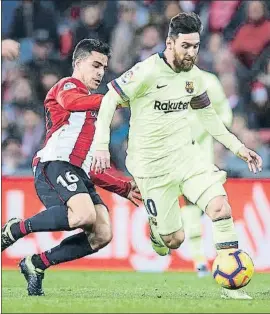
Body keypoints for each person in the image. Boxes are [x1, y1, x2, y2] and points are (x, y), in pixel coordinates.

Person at [90, 13, 263, 300]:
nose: (192, 52)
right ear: (170, 43)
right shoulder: (146, 72)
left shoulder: (194, 78)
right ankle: (158, 233)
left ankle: (230, 286)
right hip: (151, 166)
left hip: (187, 156)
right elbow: (109, 99)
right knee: (174, 240)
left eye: (195, 46)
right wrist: (100, 144)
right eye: (186, 46)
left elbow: (209, 118)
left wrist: (238, 148)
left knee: (220, 207)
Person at [1, 39, 141, 296]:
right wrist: (113, 99)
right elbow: (70, 103)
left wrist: (124, 187)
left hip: (79, 172)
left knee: (102, 233)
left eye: (103, 67)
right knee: (84, 215)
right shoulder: (68, 86)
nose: (100, 72)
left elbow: (95, 167)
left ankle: (36, 263)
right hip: (54, 164)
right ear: (78, 63)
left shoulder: (95, 110)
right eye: (95, 65)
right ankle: (15, 229)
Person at [181, 70, 233, 277]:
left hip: (203, 156)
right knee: (190, 207)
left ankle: (214, 258)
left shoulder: (209, 82)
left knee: (213, 206)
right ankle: (200, 260)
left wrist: (221, 138)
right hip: (175, 155)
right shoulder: (165, 80)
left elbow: (225, 112)